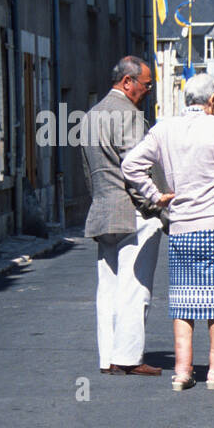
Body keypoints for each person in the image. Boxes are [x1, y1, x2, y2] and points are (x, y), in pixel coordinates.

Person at [122, 73, 214, 391]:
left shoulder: (163, 129)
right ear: (213, 101)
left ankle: (183, 371)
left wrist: (154, 194)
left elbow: (130, 165)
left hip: (182, 224)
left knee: (184, 300)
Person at [81, 56, 167, 376]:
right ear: (127, 82)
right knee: (136, 287)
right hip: (133, 212)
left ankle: (108, 358)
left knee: (108, 289)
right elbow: (136, 170)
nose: (148, 91)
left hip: (102, 208)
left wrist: (101, 199)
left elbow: (89, 172)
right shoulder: (128, 116)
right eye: (146, 85)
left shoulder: (90, 115)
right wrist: (158, 208)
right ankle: (128, 357)